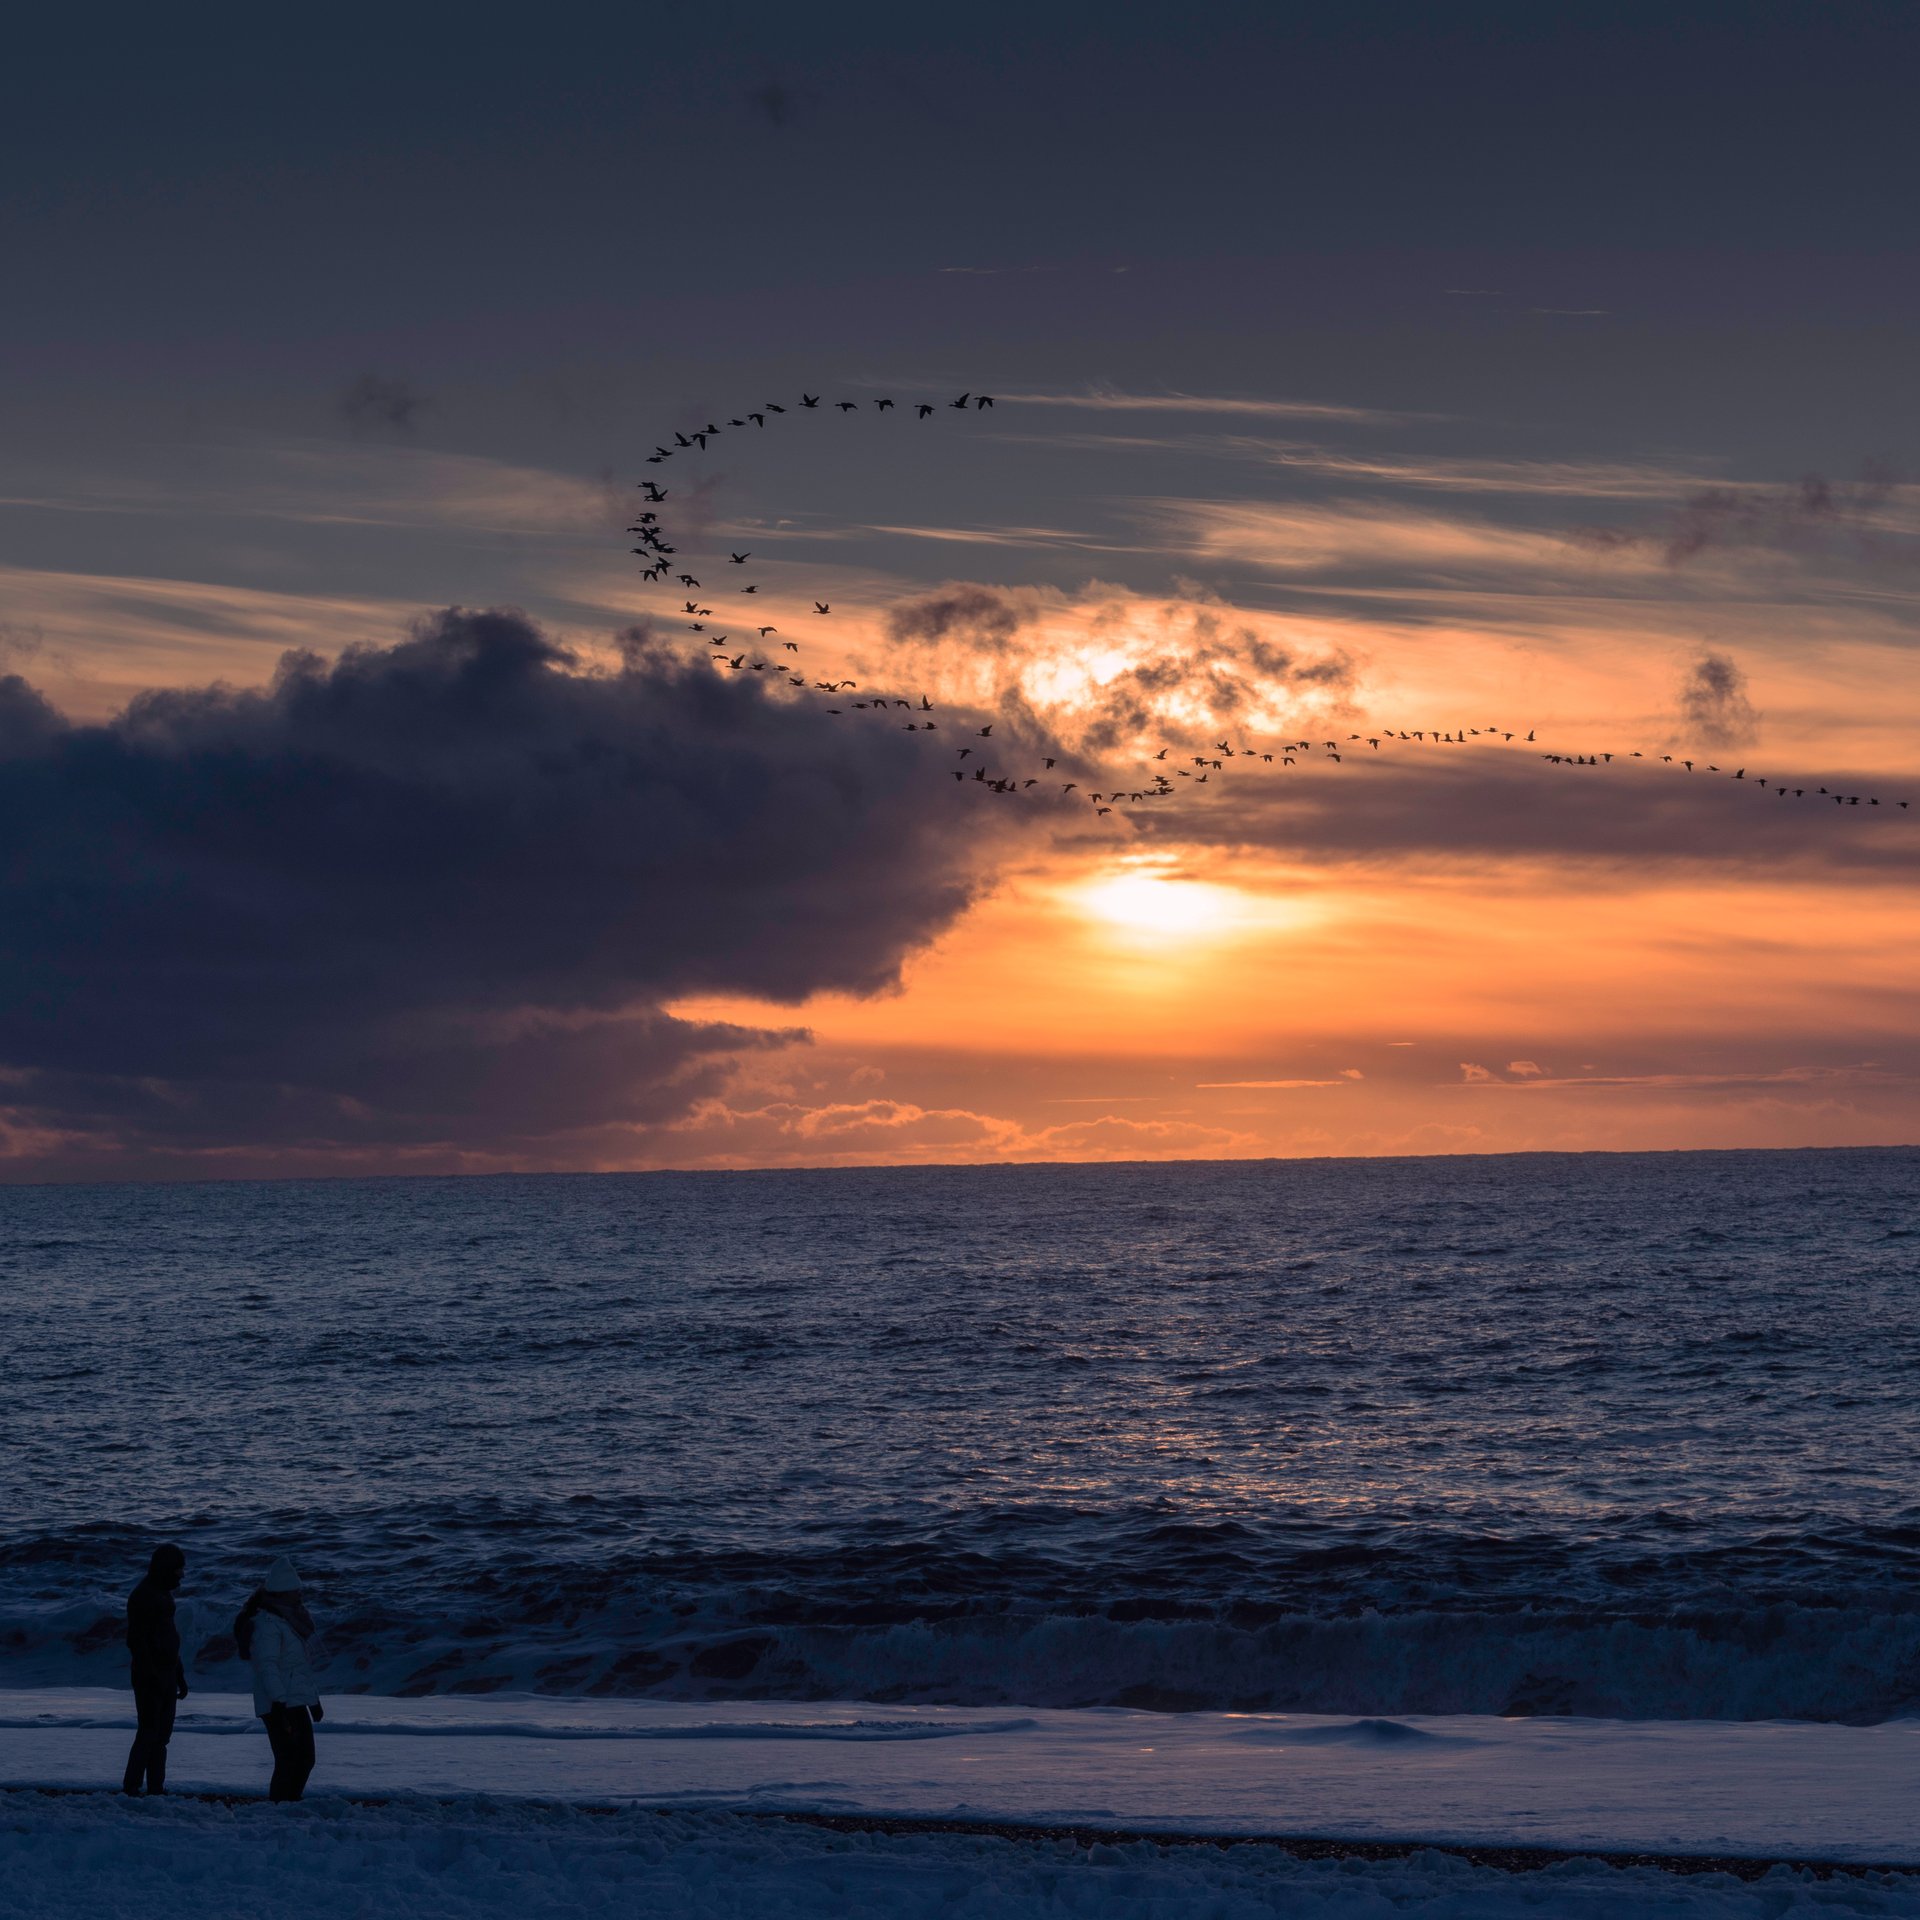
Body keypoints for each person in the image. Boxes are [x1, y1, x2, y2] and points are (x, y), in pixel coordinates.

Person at [234, 1559, 323, 1802]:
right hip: (279, 1703)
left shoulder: (286, 1620)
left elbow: (298, 1668)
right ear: (283, 1592)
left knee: (303, 1759)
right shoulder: (267, 1624)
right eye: (295, 1590)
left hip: (293, 1699)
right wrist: (279, 1701)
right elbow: (267, 1666)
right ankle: (281, 1805)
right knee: (289, 1760)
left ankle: (288, 1802)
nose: (299, 1594)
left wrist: (313, 1701)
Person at [123, 1543, 189, 1795]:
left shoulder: (162, 1593)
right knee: (149, 1732)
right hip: (150, 1674)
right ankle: (132, 1786)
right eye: (178, 1570)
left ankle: (155, 1787)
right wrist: (152, 1674)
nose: (182, 1575)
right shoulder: (143, 1596)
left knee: (161, 1736)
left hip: (167, 1671)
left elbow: (168, 1637)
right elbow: (136, 1641)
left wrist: (178, 1674)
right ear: (166, 1569)